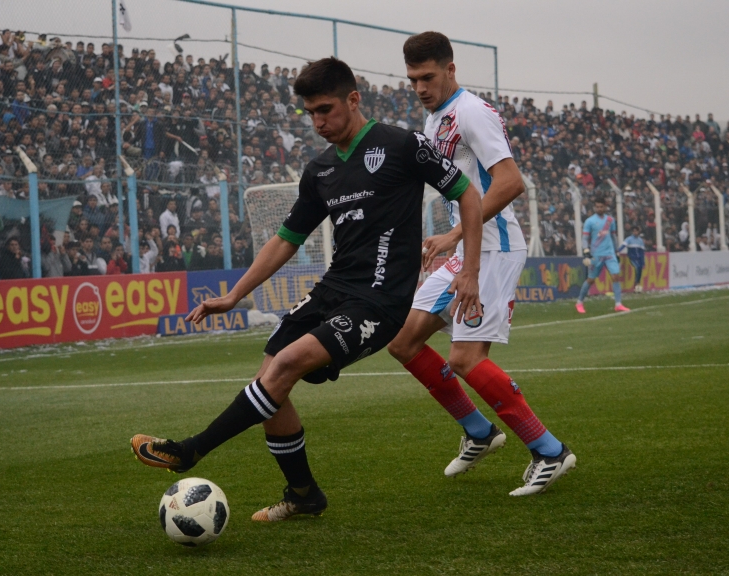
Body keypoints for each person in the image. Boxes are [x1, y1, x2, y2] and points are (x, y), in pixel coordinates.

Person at [131, 56, 483, 522]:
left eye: (325, 110)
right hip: (332, 290)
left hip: (380, 301)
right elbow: (285, 240)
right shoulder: (320, 171)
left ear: (352, 100)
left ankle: (191, 450)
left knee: (286, 364)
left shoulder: (403, 145)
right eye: (310, 113)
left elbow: (468, 194)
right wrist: (235, 294)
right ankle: (303, 495)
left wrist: (469, 269)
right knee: (270, 379)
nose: (318, 122)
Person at [383, 31, 574, 496]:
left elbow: (510, 182)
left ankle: (550, 451)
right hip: (467, 249)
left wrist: (454, 236)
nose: (420, 88)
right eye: (412, 80)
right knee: (403, 342)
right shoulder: (435, 119)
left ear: (450, 69)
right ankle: (479, 431)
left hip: (494, 248)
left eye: (428, 77)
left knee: (465, 358)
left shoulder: (472, 112)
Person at [576, 196, 631, 314]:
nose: (599, 209)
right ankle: (579, 302)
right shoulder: (590, 221)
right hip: (596, 255)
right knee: (591, 280)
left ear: (605, 207)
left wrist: (616, 251)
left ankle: (618, 304)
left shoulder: (610, 220)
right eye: (597, 207)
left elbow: (613, 236)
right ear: (594, 207)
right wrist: (586, 251)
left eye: (601, 207)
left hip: (609, 253)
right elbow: (585, 238)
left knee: (615, 276)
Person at [621, 225, 646, 293]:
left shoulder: (640, 240)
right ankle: (636, 284)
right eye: (634, 231)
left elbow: (642, 252)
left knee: (640, 269)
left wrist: (643, 261)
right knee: (637, 267)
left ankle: (637, 283)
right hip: (632, 257)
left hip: (639, 258)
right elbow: (623, 245)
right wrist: (618, 251)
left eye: (636, 231)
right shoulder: (629, 239)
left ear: (638, 232)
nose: (635, 232)